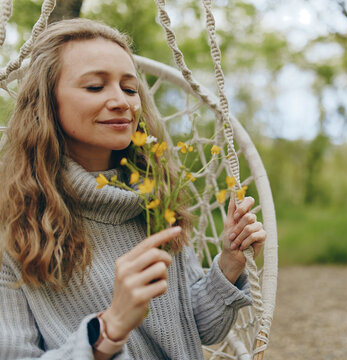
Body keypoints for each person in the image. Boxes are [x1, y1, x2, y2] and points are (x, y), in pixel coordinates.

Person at [0, 18, 266, 360]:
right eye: (95, 87)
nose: (122, 102)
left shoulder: (155, 201)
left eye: (129, 88)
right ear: (47, 102)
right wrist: (108, 330)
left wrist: (230, 263)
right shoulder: (12, 225)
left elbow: (194, 330)